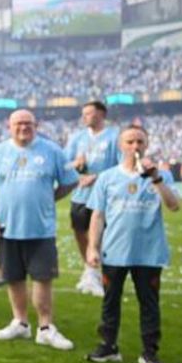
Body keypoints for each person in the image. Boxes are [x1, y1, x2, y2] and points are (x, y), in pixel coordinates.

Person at [0, 109, 78, 350]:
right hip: (7, 229)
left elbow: (70, 180)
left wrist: (48, 198)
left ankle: (45, 327)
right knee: (13, 278)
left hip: (41, 229)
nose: (23, 127)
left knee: (43, 278)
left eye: (28, 123)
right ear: (8, 126)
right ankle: (20, 322)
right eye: (18, 123)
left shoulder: (51, 150)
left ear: (36, 125)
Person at [85, 125, 180, 363]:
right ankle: (108, 346)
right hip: (114, 250)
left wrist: (155, 179)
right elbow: (97, 216)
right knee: (110, 300)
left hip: (149, 252)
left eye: (139, 141)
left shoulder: (162, 176)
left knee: (149, 302)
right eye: (129, 142)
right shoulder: (107, 177)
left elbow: (174, 206)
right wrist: (92, 248)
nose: (135, 146)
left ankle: (150, 352)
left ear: (146, 144)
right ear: (120, 145)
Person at [64, 101, 119, 297]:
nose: (85, 116)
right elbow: (65, 164)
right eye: (83, 113)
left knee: (100, 235)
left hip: (104, 196)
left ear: (101, 114)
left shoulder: (115, 137)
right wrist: (76, 168)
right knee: (79, 231)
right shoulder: (77, 138)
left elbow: (121, 166)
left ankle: (97, 274)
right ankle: (89, 270)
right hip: (80, 195)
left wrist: (96, 177)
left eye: (88, 113)